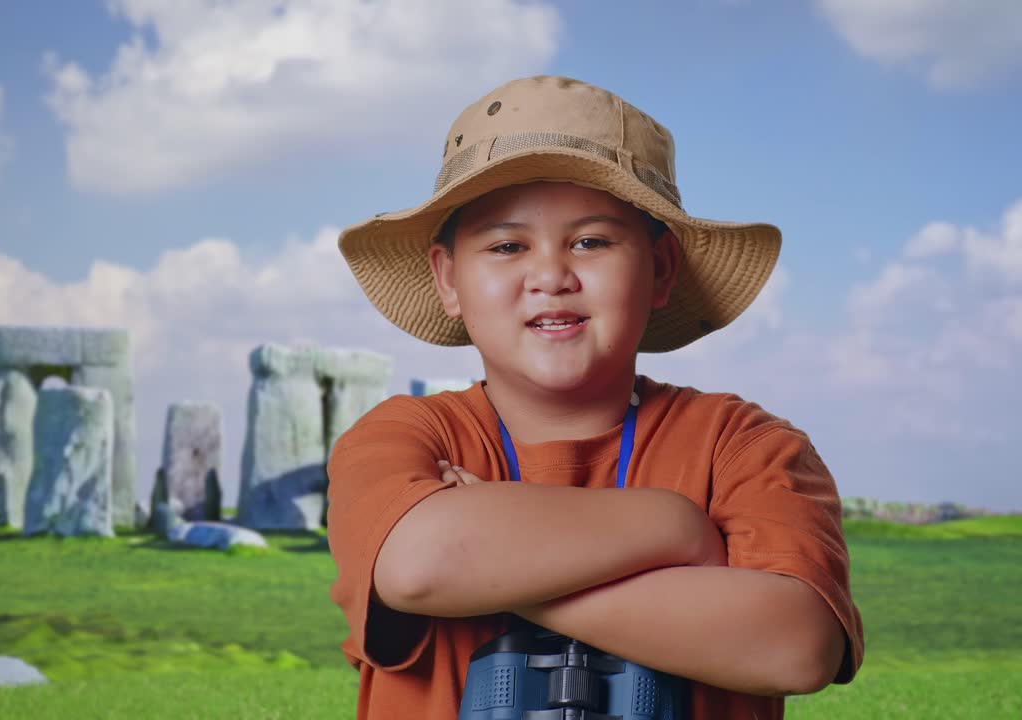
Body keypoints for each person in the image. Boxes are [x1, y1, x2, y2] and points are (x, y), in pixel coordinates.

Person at [326, 75, 864, 719]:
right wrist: (676, 525)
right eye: (506, 246)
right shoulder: (403, 435)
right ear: (448, 279)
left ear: (661, 270)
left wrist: (495, 579)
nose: (551, 276)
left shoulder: (743, 445)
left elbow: (796, 646)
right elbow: (418, 566)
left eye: (592, 241)